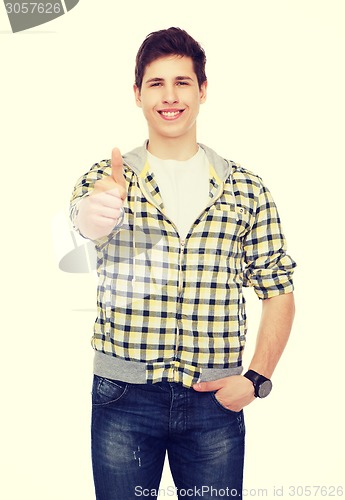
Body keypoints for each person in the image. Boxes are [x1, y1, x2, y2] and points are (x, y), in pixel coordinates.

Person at [70, 27, 296, 500]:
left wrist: (256, 379)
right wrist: (93, 215)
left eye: (182, 82)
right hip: (123, 399)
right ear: (137, 94)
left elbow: (278, 289)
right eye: (156, 84)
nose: (169, 97)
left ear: (202, 90)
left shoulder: (246, 190)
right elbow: (80, 223)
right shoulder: (109, 178)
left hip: (215, 401)